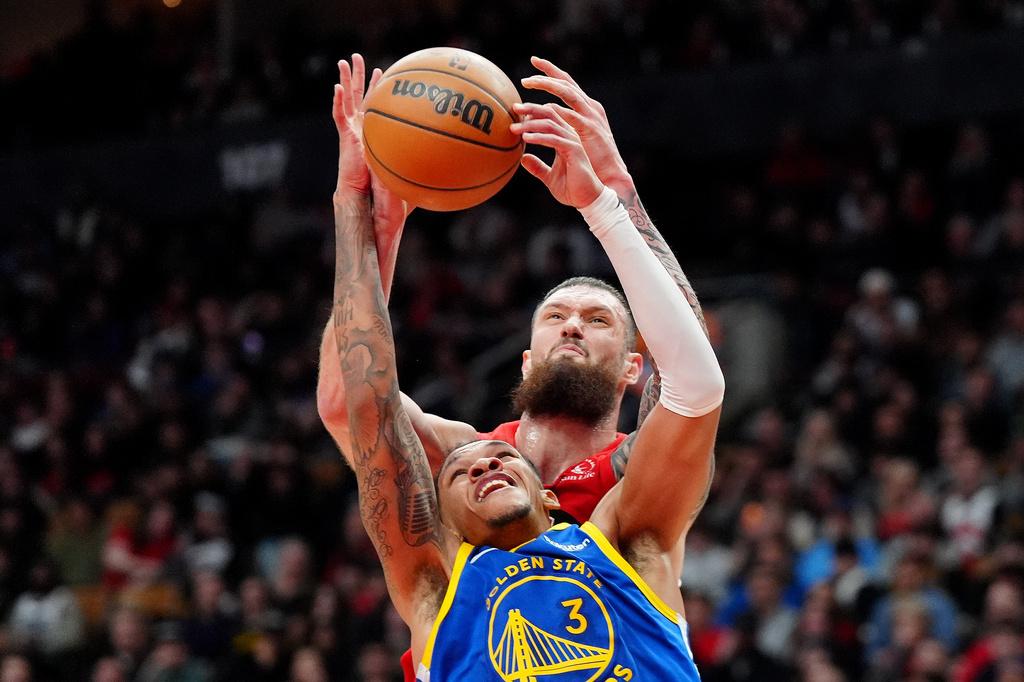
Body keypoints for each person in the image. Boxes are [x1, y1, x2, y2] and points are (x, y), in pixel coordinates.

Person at [327, 53, 724, 679]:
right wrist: (370, 221)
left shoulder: (630, 494)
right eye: (555, 315)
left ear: (634, 367)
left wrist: (614, 196)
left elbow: (692, 373)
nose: (573, 324)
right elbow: (353, 400)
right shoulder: (464, 459)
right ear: (527, 359)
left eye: (598, 320)